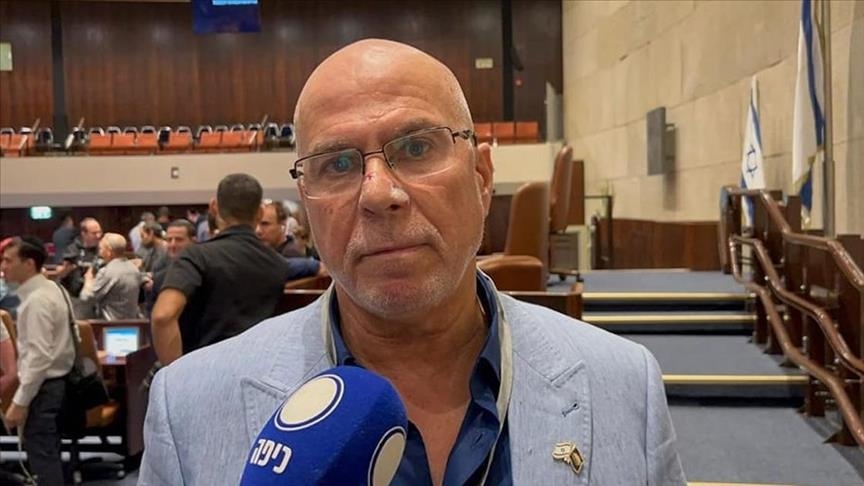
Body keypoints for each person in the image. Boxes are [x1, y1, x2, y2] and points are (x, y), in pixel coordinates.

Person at [140, 40, 685, 485]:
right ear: (306, 201)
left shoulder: (623, 383)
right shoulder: (189, 407)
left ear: (482, 177)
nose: (379, 194)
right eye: (337, 164)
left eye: (417, 148)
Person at [149, 173, 294, 366]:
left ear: (214, 207)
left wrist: (176, 374)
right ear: (260, 213)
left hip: (203, 371)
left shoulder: (196, 256)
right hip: (256, 370)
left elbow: (163, 316)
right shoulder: (278, 264)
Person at [1, 237, 74, 485]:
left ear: (29, 263)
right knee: (47, 453)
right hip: (55, 385)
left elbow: (39, 358)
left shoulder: (37, 301)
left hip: (44, 388)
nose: (3, 266)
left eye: (8, 261)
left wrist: (19, 402)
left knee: (43, 456)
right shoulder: (54, 288)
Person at [80, 233, 142, 320]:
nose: (99, 253)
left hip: (110, 323)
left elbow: (86, 299)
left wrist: (88, 281)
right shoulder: (134, 269)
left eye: (101, 249)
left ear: (109, 252)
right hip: (132, 322)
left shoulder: (106, 272)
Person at [52, 217, 103, 319]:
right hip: (76, 299)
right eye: (94, 233)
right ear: (84, 234)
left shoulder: (102, 249)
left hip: (97, 299)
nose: (98, 236)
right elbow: (60, 272)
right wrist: (66, 269)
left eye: (100, 232)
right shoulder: (72, 249)